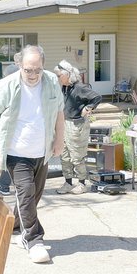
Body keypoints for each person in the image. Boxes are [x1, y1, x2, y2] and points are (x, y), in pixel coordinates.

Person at [0, 45, 65, 263]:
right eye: (28, 70)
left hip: (42, 151)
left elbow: (59, 112)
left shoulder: (51, 82)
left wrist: (59, 139)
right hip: (16, 152)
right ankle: (34, 239)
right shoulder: (6, 85)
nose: (33, 75)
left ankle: (18, 228)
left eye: (37, 69)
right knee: (26, 192)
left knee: (33, 195)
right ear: (19, 64)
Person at [54, 60, 101, 195]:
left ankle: (81, 183)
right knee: (64, 155)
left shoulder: (80, 87)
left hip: (77, 124)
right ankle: (68, 182)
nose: (57, 78)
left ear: (67, 74)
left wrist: (88, 107)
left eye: (59, 75)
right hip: (64, 123)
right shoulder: (64, 87)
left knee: (77, 155)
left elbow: (97, 97)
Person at [0, 53, 23, 196]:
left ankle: (5, 183)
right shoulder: (13, 72)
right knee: (10, 155)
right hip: (10, 122)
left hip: (16, 122)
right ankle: (3, 184)